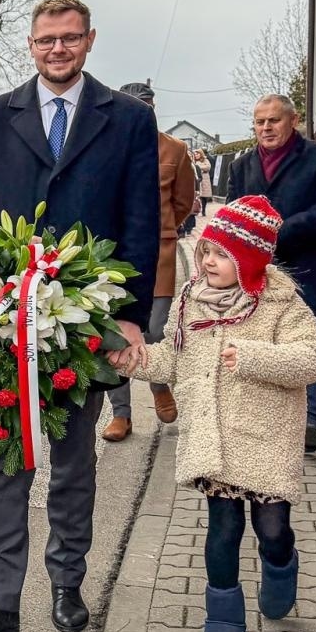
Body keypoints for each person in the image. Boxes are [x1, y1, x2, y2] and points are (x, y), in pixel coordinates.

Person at [0, 0, 159, 632]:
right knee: (6, 459)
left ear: (89, 40)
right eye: (45, 41)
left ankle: (67, 580)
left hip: (85, 321)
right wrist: (9, 253)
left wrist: (132, 317)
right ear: (29, 45)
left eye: (68, 38)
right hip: (9, 320)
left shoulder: (126, 121)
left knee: (72, 460)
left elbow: (142, 224)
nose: (57, 49)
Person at [110, 196, 316, 632]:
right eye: (206, 250)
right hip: (213, 436)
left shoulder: (281, 304)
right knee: (223, 529)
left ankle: (281, 563)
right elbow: (173, 355)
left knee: (272, 527)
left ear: (248, 258)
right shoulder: (190, 300)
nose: (207, 260)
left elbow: (311, 360)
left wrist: (252, 357)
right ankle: (223, 619)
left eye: (221, 254)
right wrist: (133, 360)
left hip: (265, 437)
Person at [228, 95, 316, 454]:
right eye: (259, 122)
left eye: (273, 121)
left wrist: (279, 232)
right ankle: (266, 416)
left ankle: (310, 419)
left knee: (305, 341)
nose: (265, 128)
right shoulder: (242, 166)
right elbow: (235, 213)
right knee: (260, 339)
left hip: (306, 268)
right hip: (256, 271)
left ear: (292, 120)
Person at [104, 82, 194, 443]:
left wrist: (165, 229)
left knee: (152, 331)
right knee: (109, 334)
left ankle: (159, 385)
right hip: (110, 255)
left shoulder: (174, 148)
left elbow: (184, 201)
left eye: (147, 105)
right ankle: (121, 414)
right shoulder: (106, 147)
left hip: (158, 254)